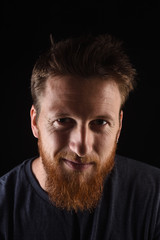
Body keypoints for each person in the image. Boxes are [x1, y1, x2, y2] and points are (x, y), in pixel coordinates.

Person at [0, 34, 160, 240]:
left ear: (119, 127)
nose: (81, 147)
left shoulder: (155, 199)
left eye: (100, 122)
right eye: (63, 120)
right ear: (34, 122)